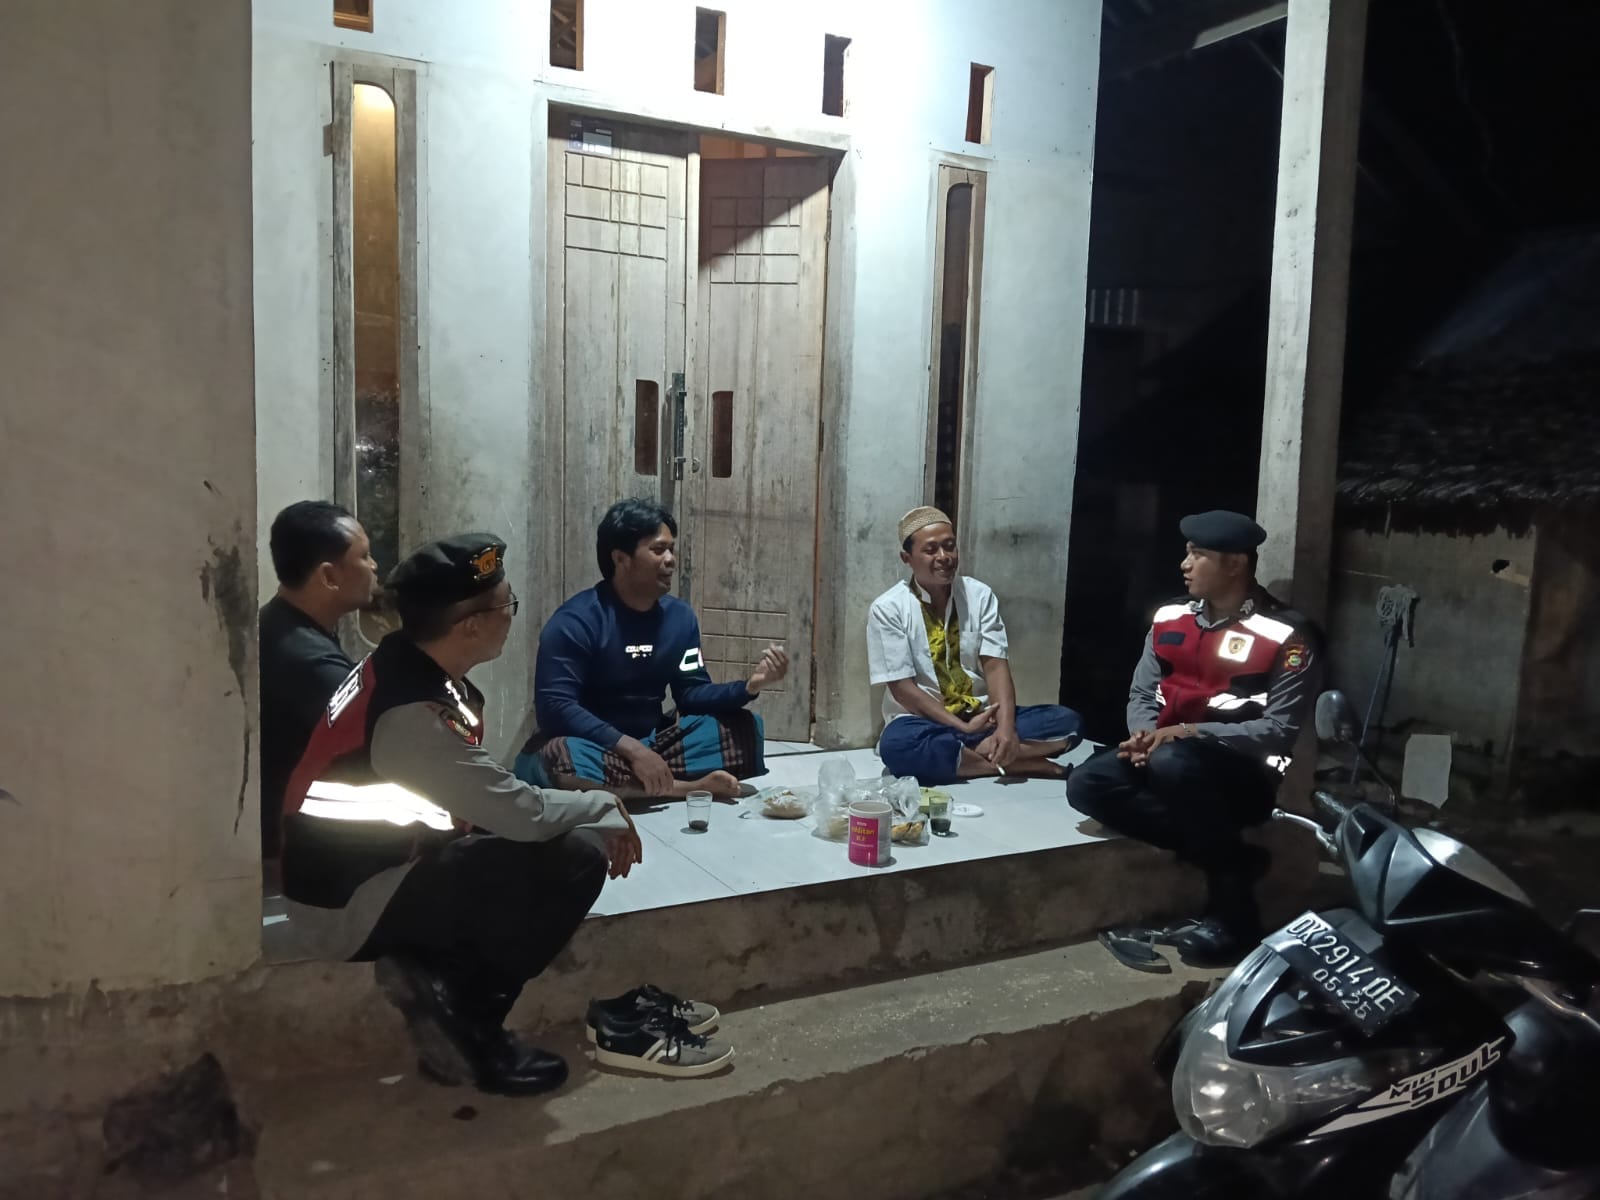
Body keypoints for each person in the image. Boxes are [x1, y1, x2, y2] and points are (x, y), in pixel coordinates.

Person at [280, 533, 731, 1094]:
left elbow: (482, 791)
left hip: (374, 864)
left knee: (551, 834)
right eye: (507, 605)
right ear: (470, 625)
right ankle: (470, 1028)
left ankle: (438, 976)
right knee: (575, 859)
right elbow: (520, 812)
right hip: (346, 903)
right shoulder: (412, 713)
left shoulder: (411, 665)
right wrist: (603, 805)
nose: (512, 616)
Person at [1066, 510, 1322, 968]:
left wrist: (1187, 732)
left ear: (1234, 564)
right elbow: (1142, 692)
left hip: (1243, 775)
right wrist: (1144, 735)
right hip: (1170, 759)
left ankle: (1235, 918)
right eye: (1187, 553)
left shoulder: (1287, 632)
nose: (1184, 564)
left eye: (1197, 554)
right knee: (1086, 784)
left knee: (1173, 763)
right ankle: (1234, 858)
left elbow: (1280, 729)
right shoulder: (1170, 617)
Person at [516, 498, 786, 799]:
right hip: (594, 744)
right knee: (563, 756)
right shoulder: (575, 621)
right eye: (658, 550)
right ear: (621, 558)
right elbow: (554, 708)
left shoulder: (680, 618)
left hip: (653, 742)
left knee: (744, 728)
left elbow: (691, 694)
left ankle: (632, 783)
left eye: (672, 549)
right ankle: (682, 788)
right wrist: (631, 750)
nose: (671, 560)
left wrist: (749, 686)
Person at [866, 506, 1082, 784]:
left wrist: (1005, 729)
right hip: (922, 721)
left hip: (982, 717)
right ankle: (1013, 763)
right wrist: (962, 727)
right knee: (897, 746)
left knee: (1068, 722)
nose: (944, 557)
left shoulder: (979, 595)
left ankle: (976, 754)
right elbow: (903, 689)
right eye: (931, 550)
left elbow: (996, 667)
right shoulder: (888, 608)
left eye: (949, 546)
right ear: (907, 558)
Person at [258, 501, 378, 860]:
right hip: (293, 848)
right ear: (329, 576)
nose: (374, 566)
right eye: (364, 556)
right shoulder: (309, 661)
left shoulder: (279, 625)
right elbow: (380, 739)